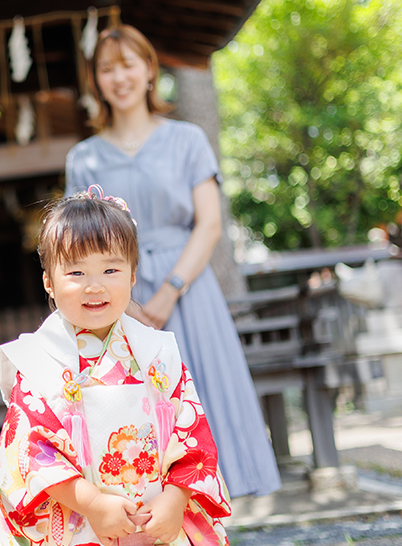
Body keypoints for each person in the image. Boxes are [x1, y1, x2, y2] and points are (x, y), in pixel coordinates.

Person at [64, 24, 281, 498]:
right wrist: (124, 301)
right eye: (106, 68)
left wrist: (168, 291)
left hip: (189, 292)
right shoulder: (83, 158)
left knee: (207, 400)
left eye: (128, 64)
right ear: (95, 80)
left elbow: (209, 225)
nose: (118, 77)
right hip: (118, 298)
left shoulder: (187, 139)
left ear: (148, 72)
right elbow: (78, 244)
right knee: (137, 414)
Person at [0, 188, 231, 546]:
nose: (95, 285)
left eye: (111, 269)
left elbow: (192, 435)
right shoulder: (37, 360)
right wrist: (95, 504)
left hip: (155, 516)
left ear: (133, 276)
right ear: (49, 283)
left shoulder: (157, 351)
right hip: (78, 516)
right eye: (76, 272)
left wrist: (176, 499)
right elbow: (32, 453)